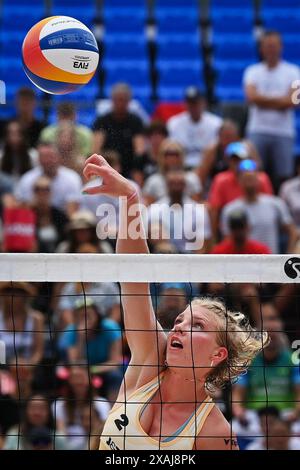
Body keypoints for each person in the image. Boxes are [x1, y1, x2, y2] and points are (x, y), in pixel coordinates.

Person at [82, 153, 269, 450]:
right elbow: (133, 276)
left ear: (217, 354)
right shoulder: (150, 358)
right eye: (181, 319)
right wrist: (130, 198)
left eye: (196, 325)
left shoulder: (215, 432)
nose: (178, 327)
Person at [244, 31, 300, 189]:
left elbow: (295, 100)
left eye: (274, 46)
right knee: (254, 172)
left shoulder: (293, 71)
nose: (271, 49)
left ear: (281, 47)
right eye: (267, 46)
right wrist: (281, 101)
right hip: (257, 130)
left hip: (283, 132)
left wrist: (263, 100)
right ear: (261, 48)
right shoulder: (252, 71)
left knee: (284, 176)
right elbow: (251, 97)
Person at [221, 159, 298, 253]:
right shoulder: (230, 209)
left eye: (252, 177)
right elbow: (227, 240)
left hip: (271, 262)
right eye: (245, 177)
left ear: (258, 178)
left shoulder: (275, 204)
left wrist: (287, 258)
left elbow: (293, 232)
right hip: (242, 264)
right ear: (239, 180)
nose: (249, 180)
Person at [58, 298, 123, 400]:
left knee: (115, 376)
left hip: (103, 369)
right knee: (67, 377)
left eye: (88, 314)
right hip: (80, 370)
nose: (85, 319)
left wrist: (92, 370)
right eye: (81, 316)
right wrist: (81, 338)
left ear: (97, 315)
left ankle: (113, 411)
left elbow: (115, 362)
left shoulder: (110, 327)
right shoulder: (71, 331)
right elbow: (74, 363)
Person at [208, 142, 273, 239]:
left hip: (260, 225)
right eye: (233, 160)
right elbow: (214, 210)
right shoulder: (221, 180)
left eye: (240, 159)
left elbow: (268, 207)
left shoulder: (261, 179)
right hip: (232, 227)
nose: (236, 163)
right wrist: (214, 239)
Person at [148, 170, 211, 253]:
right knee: (155, 227)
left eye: (179, 183)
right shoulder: (154, 210)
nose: (176, 187)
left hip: (190, 259)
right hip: (161, 257)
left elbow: (203, 245)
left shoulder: (198, 211)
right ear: (166, 185)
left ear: (185, 185)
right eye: (172, 183)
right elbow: (146, 240)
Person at [14, 141, 82, 217]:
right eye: (43, 157)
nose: (47, 161)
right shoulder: (27, 179)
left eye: (50, 156)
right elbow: (21, 209)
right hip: (33, 221)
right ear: (38, 159)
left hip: (62, 223)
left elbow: (72, 214)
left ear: (58, 157)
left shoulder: (72, 178)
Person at [93, 83, 145, 177]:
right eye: (118, 100)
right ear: (112, 100)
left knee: (140, 162)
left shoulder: (136, 121)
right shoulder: (102, 121)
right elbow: (96, 148)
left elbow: (139, 149)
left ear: (128, 101)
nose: (120, 103)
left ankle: (137, 188)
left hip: (130, 164)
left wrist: (136, 164)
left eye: (123, 100)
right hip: (108, 163)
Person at [53, 366, 110, 450]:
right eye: (75, 377)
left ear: (90, 379)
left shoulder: (101, 403)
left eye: (81, 377)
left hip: (92, 443)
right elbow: (61, 432)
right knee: (58, 437)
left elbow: (102, 431)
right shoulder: (59, 404)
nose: (78, 381)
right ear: (69, 380)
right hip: (68, 446)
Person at [167, 86, 223, 169]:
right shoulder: (174, 123)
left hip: (207, 167)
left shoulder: (216, 123)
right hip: (181, 167)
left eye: (195, 103)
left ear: (203, 103)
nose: (192, 106)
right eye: (189, 103)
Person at [198, 119, 260, 188]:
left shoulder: (246, 149)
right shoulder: (212, 151)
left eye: (231, 137)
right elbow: (201, 176)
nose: (229, 141)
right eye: (226, 137)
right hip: (216, 189)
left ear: (237, 137)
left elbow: (256, 174)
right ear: (219, 137)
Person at [142, 139, 202, 205]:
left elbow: (196, 206)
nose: (172, 157)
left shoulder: (192, 179)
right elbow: (148, 209)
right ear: (161, 157)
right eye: (168, 154)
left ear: (181, 156)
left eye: (175, 154)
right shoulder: (153, 181)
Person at [3, 394, 67, 450]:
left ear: (49, 412)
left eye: (41, 408)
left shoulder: (57, 438)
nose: (37, 413)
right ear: (26, 411)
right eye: (33, 408)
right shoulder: (15, 434)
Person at [31, 176, 69, 253]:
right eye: (38, 189)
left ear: (51, 192)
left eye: (46, 189)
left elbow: (66, 239)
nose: (42, 193)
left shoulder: (60, 216)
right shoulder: (26, 215)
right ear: (33, 192)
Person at [131, 120, 168, 187]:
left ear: (165, 137)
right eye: (153, 136)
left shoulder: (169, 157)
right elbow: (138, 183)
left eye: (159, 135)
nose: (156, 139)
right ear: (148, 138)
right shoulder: (140, 159)